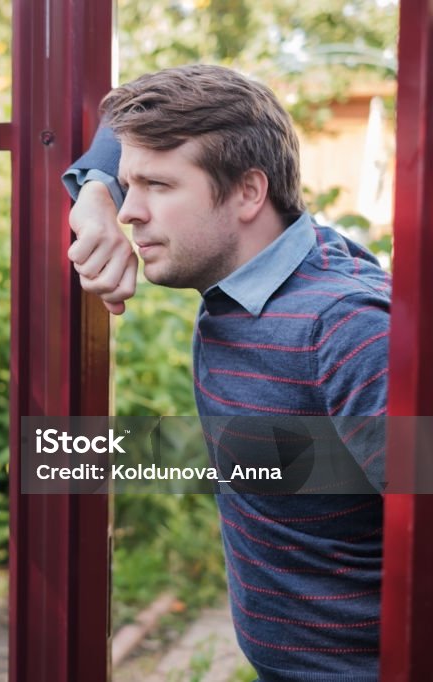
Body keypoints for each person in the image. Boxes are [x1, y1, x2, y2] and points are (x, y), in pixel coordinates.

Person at [63, 64, 388, 680]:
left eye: (156, 186)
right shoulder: (251, 282)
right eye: (130, 187)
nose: (132, 214)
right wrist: (95, 193)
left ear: (247, 193)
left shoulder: (344, 327)